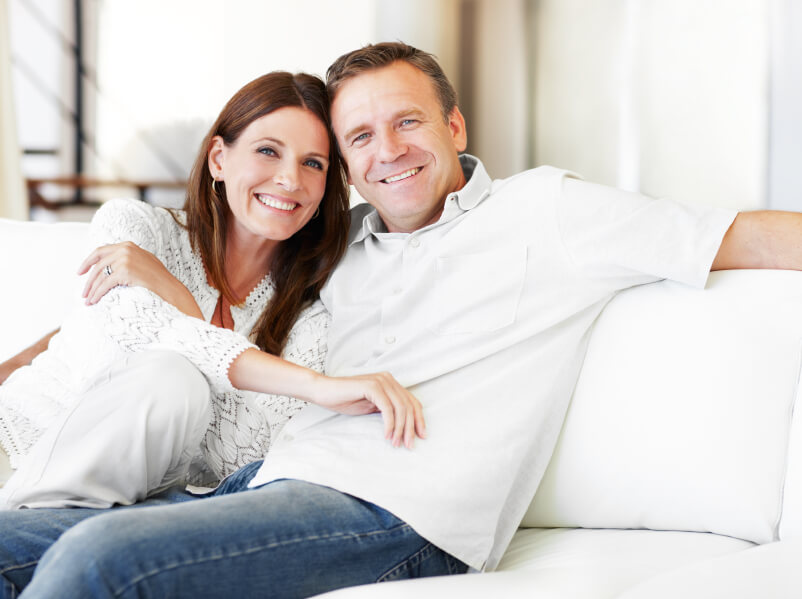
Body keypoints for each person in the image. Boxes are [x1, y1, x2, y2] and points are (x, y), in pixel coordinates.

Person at [2, 41, 802, 598]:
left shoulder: (550, 209)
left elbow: (745, 234)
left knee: (101, 560)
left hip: (398, 513)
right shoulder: (339, 247)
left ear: (453, 127)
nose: (388, 150)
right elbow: (175, 335)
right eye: (359, 137)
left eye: (408, 121)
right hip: (264, 485)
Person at [0, 70, 423, 510]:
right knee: (169, 377)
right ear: (219, 159)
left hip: (109, 507)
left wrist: (169, 290)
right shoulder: (134, 228)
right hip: (13, 446)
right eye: (267, 151)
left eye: (312, 163)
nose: (289, 179)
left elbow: (234, 456)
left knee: (175, 378)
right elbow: (141, 329)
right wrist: (312, 386)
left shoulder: (310, 316)